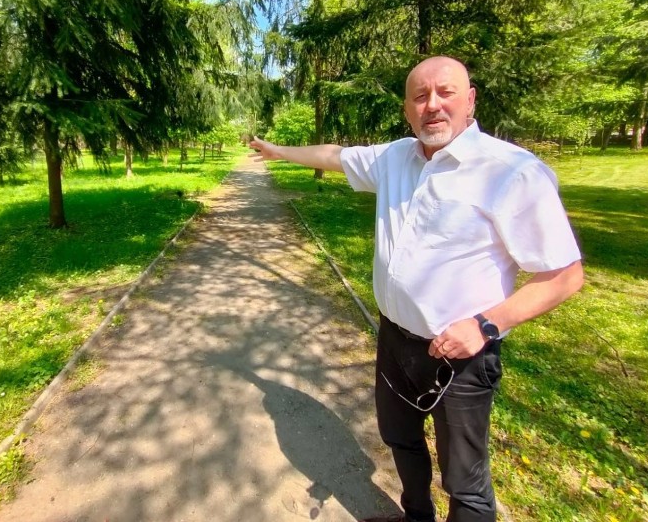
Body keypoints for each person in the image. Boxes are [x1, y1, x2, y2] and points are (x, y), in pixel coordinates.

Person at [249, 56, 583, 522]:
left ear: (469, 100)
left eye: (445, 93)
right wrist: (277, 150)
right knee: (400, 440)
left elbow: (565, 275)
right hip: (394, 341)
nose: (432, 105)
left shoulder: (511, 172)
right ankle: (416, 516)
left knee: (465, 482)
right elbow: (334, 155)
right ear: (407, 109)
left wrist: (486, 325)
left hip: (461, 356)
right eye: (420, 96)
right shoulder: (394, 158)